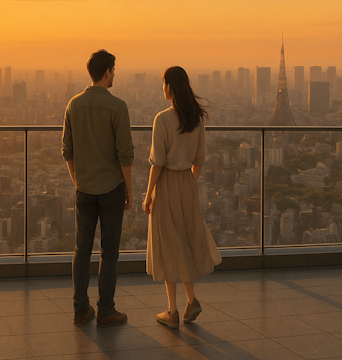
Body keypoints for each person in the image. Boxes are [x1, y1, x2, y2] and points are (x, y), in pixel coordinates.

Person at [142, 66, 222, 328]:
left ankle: (172, 311)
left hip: (166, 183)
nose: (162, 88)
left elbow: (158, 162)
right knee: (185, 242)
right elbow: (200, 160)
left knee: (169, 245)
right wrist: (189, 183)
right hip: (188, 182)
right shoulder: (196, 119)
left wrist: (148, 195)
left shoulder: (162, 119)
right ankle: (191, 300)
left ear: (170, 87)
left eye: (163, 83)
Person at [62, 49, 134, 327]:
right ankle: (106, 310)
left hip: (85, 188)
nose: (114, 75)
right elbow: (125, 154)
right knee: (109, 250)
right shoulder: (118, 107)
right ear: (107, 72)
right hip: (111, 188)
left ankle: (81, 309)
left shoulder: (73, 104)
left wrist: (77, 180)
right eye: (113, 70)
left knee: (82, 249)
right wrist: (129, 189)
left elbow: (66, 150)